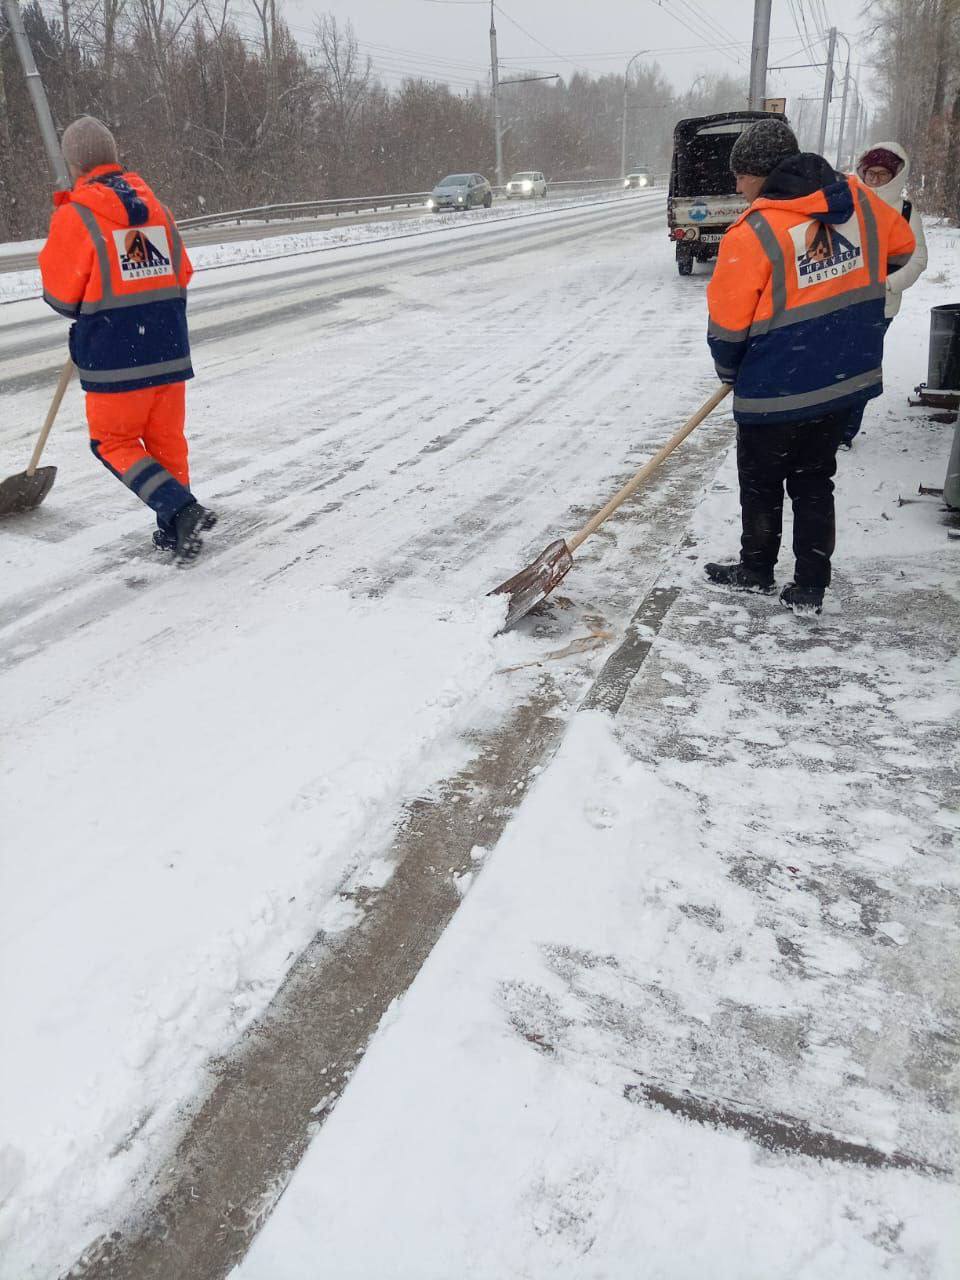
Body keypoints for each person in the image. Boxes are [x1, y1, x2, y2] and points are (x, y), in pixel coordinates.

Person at [703, 117, 915, 615]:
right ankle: (810, 584)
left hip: (777, 385)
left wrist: (730, 370)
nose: (736, 186)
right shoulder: (861, 202)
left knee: (761, 484)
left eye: (740, 175)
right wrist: (841, 283)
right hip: (842, 378)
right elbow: (901, 249)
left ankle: (756, 569)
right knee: (815, 481)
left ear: (764, 174)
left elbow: (728, 326)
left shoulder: (754, 231)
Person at [38, 116, 216, 562]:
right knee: (166, 441)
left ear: (74, 164)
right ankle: (177, 529)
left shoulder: (76, 215)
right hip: (169, 350)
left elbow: (61, 296)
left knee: (112, 444)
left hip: (116, 357)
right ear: (115, 156)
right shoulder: (156, 207)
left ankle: (180, 508)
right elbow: (183, 272)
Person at [839, 142, 928, 447]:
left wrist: (887, 284)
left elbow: (917, 260)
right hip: (840, 300)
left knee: (860, 367)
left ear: (896, 175)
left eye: (882, 174)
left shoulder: (904, 212)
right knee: (833, 363)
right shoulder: (849, 203)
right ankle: (826, 423)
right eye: (870, 174)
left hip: (880, 306)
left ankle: (845, 430)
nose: (875, 180)